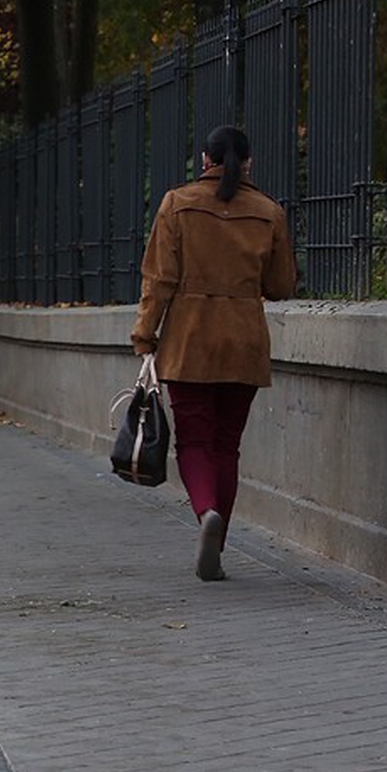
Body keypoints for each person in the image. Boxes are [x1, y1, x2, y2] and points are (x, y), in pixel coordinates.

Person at [132, 124, 296, 581]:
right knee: (227, 444)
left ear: (204, 160)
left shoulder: (176, 204)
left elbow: (159, 280)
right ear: (248, 164)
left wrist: (145, 336)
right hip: (244, 343)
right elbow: (281, 286)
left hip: (189, 342)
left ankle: (206, 513)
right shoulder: (268, 212)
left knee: (196, 442)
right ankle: (218, 544)